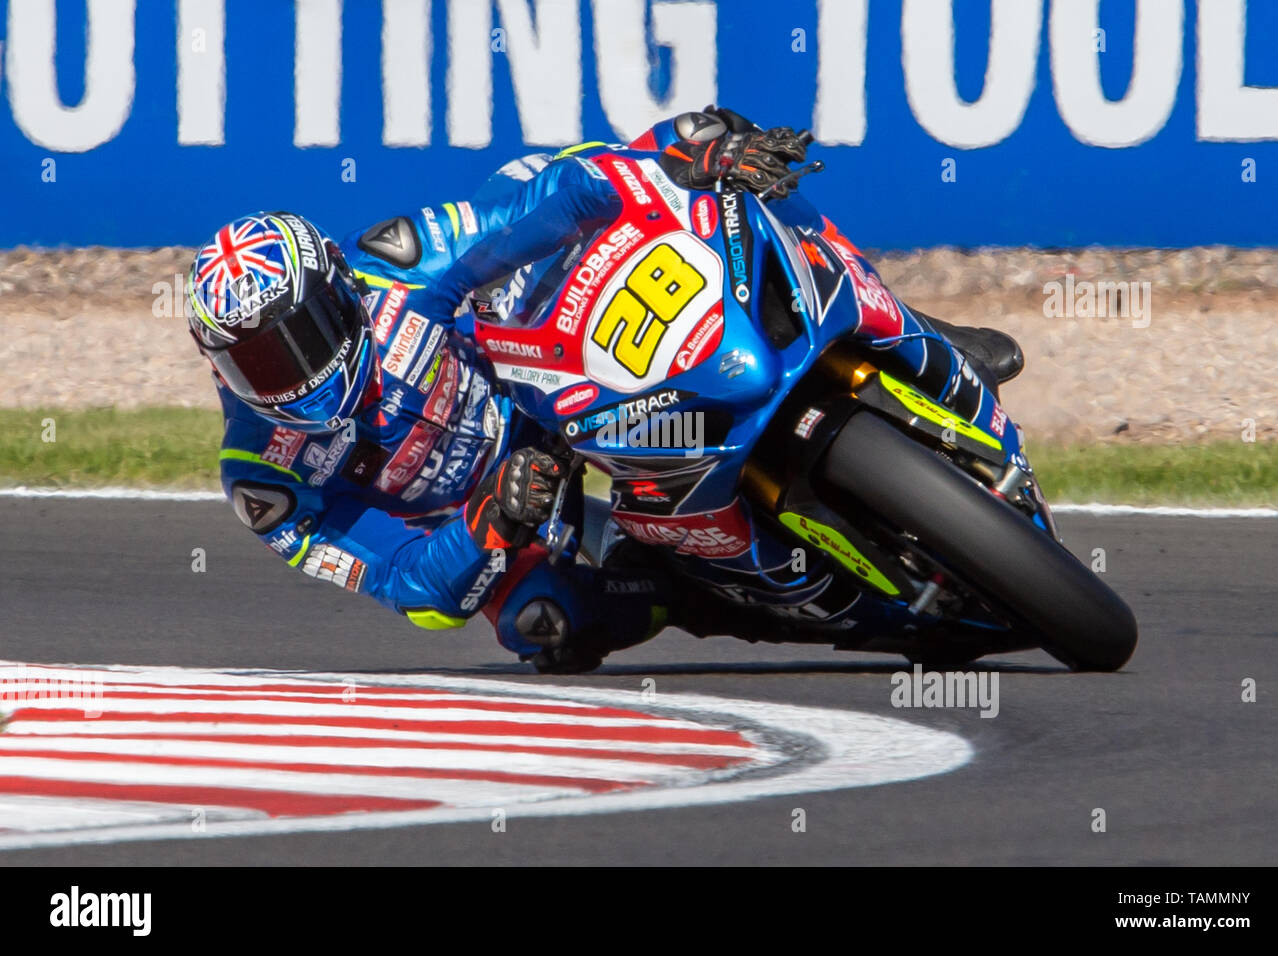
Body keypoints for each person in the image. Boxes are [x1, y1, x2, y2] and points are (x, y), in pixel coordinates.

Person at [186, 107, 1023, 673]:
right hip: (502, 511)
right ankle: (787, 607)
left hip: (546, 368)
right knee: (548, 624)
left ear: (337, 293)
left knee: (704, 147)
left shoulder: (398, 269)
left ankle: (903, 323)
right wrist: (490, 524)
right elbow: (407, 583)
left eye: (295, 341)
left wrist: (677, 163)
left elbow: (535, 208)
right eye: (252, 363)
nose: (287, 374)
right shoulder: (267, 479)